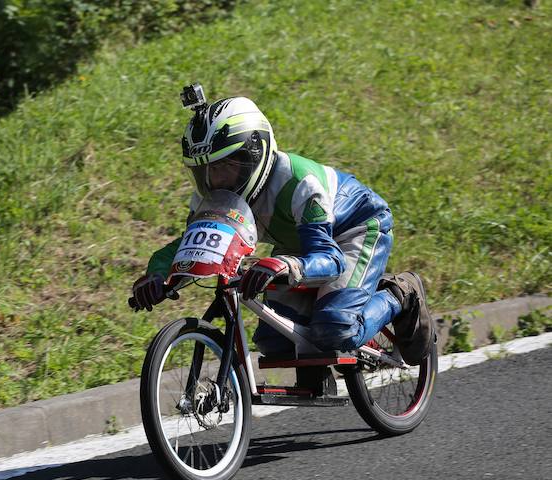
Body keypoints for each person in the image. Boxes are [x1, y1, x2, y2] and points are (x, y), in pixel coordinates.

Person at [131, 90, 434, 365]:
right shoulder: (209, 199)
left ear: (255, 151)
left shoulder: (299, 183)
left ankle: (400, 294)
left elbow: (332, 259)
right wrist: (158, 276)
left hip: (354, 229)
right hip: (299, 245)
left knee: (335, 326)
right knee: (276, 341)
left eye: (225, 166)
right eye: (205, 171)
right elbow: (192, 246)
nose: (215, 182)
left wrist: (284, 264)